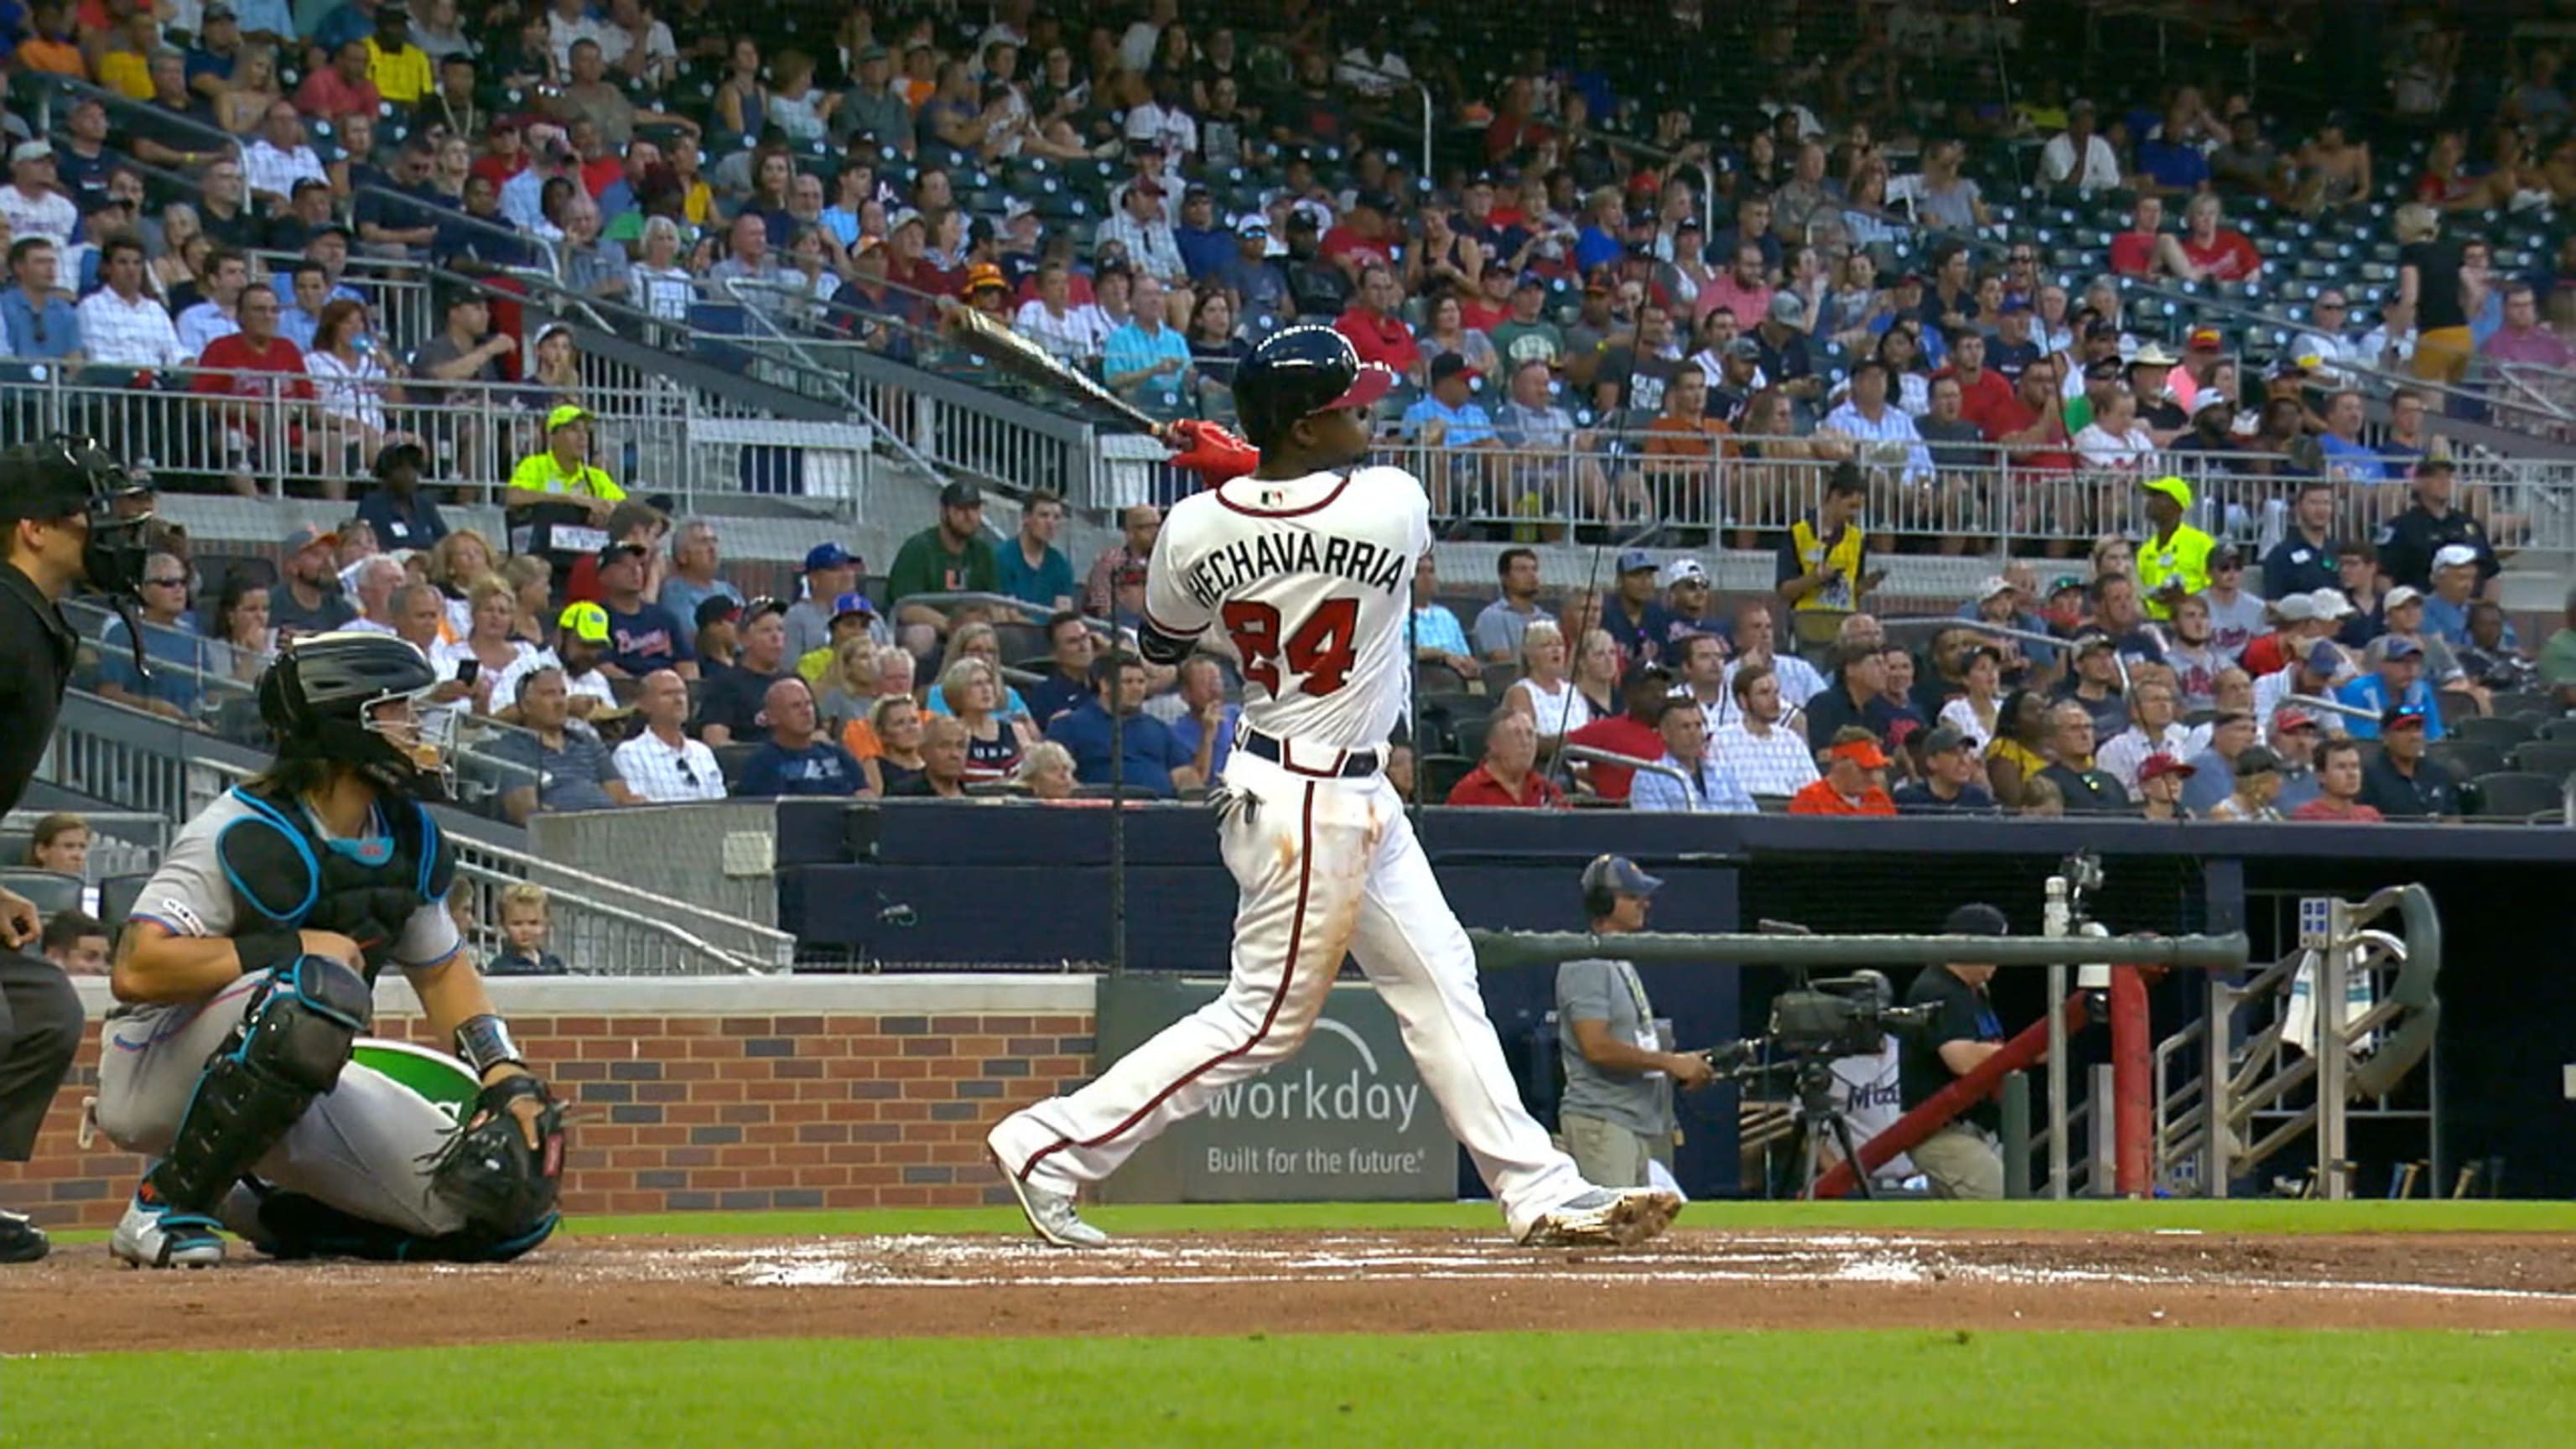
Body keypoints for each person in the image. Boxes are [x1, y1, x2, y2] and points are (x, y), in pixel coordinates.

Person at [989, 325, 1678, 1251]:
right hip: (1308, 808)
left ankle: (1538, 1188)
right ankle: (1049, 1147)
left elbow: (1161, 640)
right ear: (1305, 428)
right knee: (1260, 1023)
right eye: (1347, 407)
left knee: (1441, 981)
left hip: (1319, 785)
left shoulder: (1194, 527)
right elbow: (1314, 504)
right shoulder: (1393, 504)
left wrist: (1230, 487)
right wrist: (1243, 468)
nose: (1368, 415)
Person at [96, 633, 564, 1269]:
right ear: (347, 725)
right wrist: (289, 947)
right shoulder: (238, 829)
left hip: (301, 1069)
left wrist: (503, 1071)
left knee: (492, 1203)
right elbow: (139, 967)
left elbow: (444, 971)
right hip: (153, 1072)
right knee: (314, 983)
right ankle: (168, 1198)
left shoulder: (404, 832)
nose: (417, 727)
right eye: (397, 710)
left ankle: (261, 1201)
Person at [0, 441, 152, 1263]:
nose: (100, 532)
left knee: (43, 1010)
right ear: (30, 529)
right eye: (81, 518)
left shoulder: (30, 615)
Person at [1555, 857, 1715, 1187]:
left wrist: (1682, 1065)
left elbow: (1629, 1042)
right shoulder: (1587, 961)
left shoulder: (1618, 959)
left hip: (1631, 1123)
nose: (1645, 902)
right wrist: (1670, 1063)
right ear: (1604, 902)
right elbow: (1596, 1047)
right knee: (1610, 1232)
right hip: (1603, 1122)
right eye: (1632, 896)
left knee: (1637, 1233)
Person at [1898, 904, 2012, 1200]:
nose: (1999, 959)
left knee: (1963, 1228)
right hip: (1942, 1131)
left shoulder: (1973, 992)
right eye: (1994, 946)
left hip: (1973, 1129)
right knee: (2000, 1209)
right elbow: (1962, 1060)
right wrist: (2017, 1052)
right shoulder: (1938, 988)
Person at [735, 678, 865, 798]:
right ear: (773, 717)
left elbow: (866, 796)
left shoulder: (839, 755)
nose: (806, 712)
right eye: (796, 706)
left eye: (809, 704)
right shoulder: (762, 763)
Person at [612, 668, 727, 802]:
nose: (679, 700)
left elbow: (720, 803)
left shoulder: (702, 752)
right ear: (644, 704)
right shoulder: (631, 754)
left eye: (682, 693)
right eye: (667, 694)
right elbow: (639, 808)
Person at [1628, 699, 1756, 813]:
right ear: (1665, 733)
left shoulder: (1723, 774)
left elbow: (1751, 818)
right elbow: (1655, 829)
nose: (1694, 733)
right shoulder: (1649, 777)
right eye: (1686, 727)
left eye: (1698, 726)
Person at [2358, 706, 2462, 819]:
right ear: (2385, 737)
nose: (2414, 736)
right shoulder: (2369, 777)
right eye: (2404, 730)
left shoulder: (2438, 773)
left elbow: (2453, 817)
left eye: (2418, 729)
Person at [1445, 709, 1563, 808]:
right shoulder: (1468, 792)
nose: (1526, 742)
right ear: (1493, 744)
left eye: (1530, 734)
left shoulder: (1547, 790)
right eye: (1516, 734)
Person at [1472, 548, 1553, 665]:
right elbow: (1503, 663)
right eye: (1522, 570)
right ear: (1505, 578)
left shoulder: (1547, 620)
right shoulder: (1492, 617)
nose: (1532, 575)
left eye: (1534, 569)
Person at [1789, 729, 1898, 816]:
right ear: (1838, 762)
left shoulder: (1878, 798)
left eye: (1875, 769)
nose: (1872, 778)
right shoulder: (1811, 799)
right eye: (1864, 769)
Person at [1893, 724, 1998, 813]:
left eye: (1965, 752)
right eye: (1954, 753)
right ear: (1932, 762)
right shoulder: (1910, 800)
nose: (1964, 761)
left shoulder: (1977, 799)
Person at [2292, 738, 2384, 823]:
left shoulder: (2370, 815)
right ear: (2321, 776)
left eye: (2355, 766)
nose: (2352, 774)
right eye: (2341, 767)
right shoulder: (2308, 816)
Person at [486, 884, 568, 977]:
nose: (526, 930)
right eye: (517, 923)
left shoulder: (555, 965)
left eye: (533, 923)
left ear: (546, 923)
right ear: (503, 924)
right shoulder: (499, 968)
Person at [2206, 745, 2287, 821]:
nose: (2280, 782)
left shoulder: (2271, 814)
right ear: (2260, 781)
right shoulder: (2223, 813)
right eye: (2276, 777)